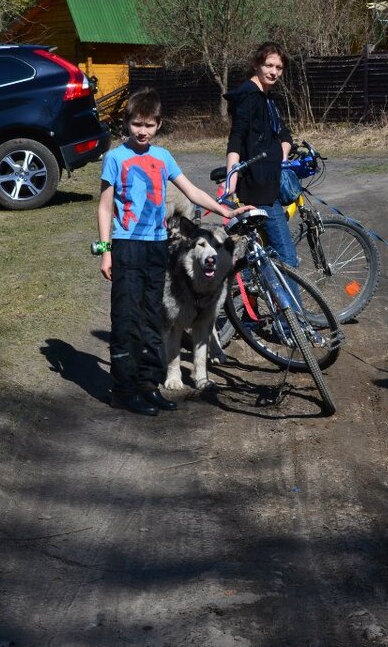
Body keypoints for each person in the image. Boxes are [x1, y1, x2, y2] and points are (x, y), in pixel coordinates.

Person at [95, 88, 247, 416]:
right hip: (126, 247)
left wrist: (224, 211)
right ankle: (124, 390)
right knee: (126, 319)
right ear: (127, 123)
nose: (142, 131)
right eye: (137, 124)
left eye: (149, 125)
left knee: (153, 319)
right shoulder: (115, 158)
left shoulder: (163, 158)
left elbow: (190, 191)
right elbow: (105, 207)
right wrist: (106, 250)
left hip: (157, 248)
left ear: (158, 125)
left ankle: (149, 385)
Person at [224, 42, 298, 268]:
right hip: (259, 188)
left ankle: (251, 292)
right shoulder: (249, 97)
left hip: (270, 180)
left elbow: (284, 134)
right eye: (268, 65)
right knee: (287, 258)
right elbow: (236, 137)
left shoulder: (268, 99)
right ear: (256, 64)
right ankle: (290, 305)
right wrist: (231, 174)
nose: (274, 72)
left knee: (262, 254)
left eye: (279, 67)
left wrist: (283, 155)